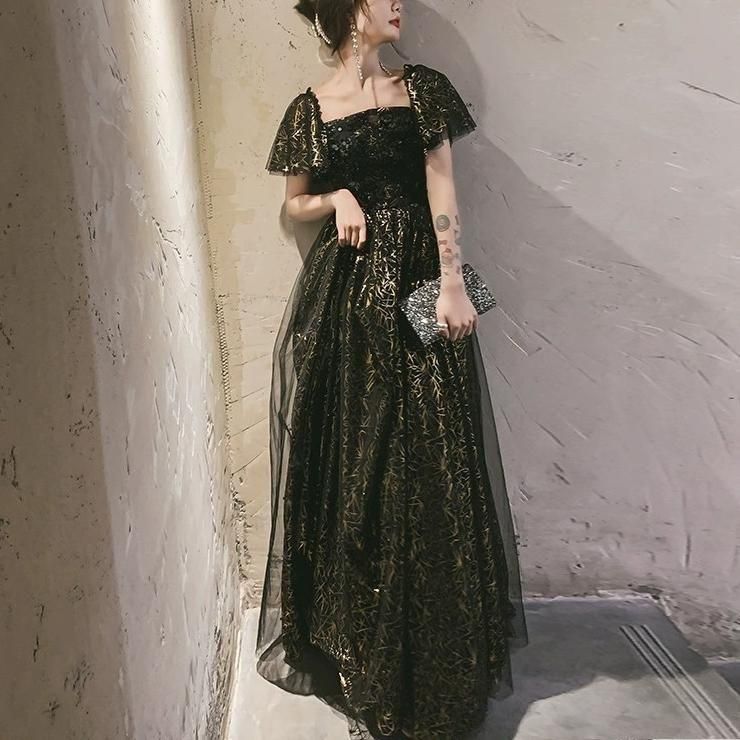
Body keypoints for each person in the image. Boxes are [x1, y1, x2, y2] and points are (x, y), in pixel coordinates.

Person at [256, 1, 529, 737]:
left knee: (433, 457)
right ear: (352, 6)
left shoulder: (424, 88)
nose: (399, 3)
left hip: (416, 287)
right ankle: (362, 642)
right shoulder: (310, 109)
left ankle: (441, 649)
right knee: (359, 464)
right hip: (347, 302)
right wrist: (338, 196)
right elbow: (295, 203)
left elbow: (441, 184)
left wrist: (450, 282)